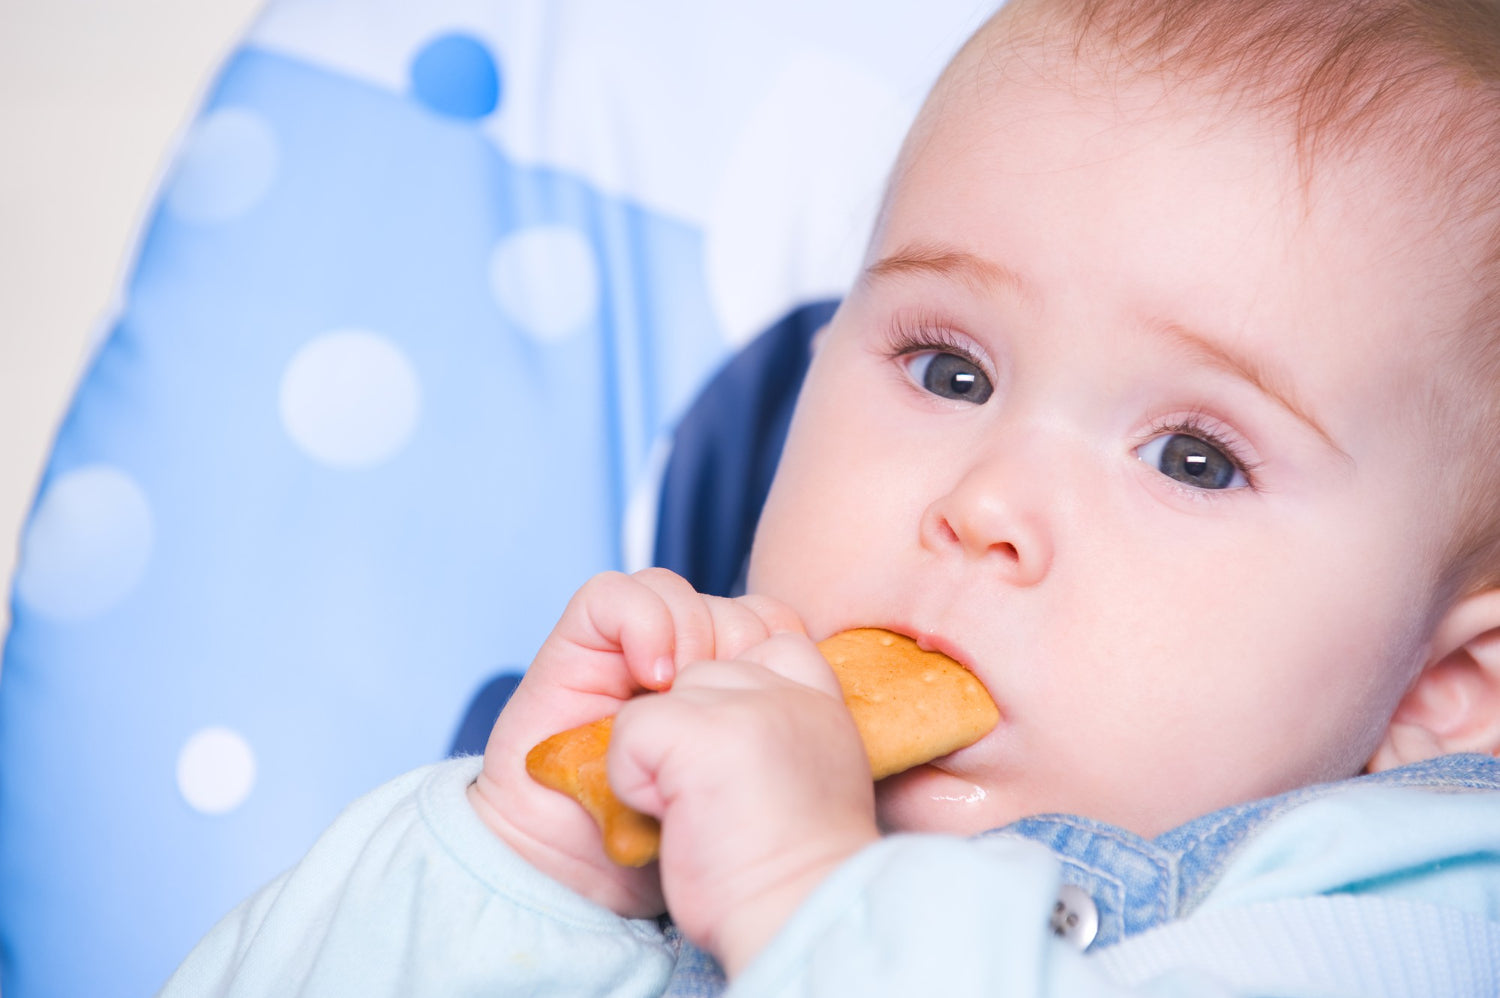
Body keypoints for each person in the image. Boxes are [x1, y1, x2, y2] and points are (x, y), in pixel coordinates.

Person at [160, 0, 1500, 994]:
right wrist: (528, 871)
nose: (984, 503)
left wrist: (811, 901)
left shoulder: (1397, 921)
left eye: (1193, 457)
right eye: (948, 367)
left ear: (1443, 693)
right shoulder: (682, 831)